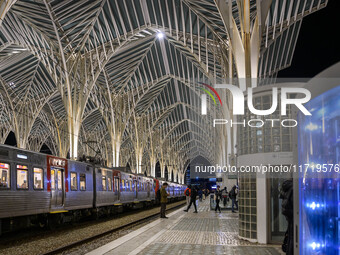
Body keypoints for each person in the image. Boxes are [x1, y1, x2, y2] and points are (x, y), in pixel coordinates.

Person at [280, 179, 293, 255]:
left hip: (289, 217)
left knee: (291, 238)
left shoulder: (288, 187)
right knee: (292, 238)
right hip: (293, 216)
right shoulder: (293, 188)